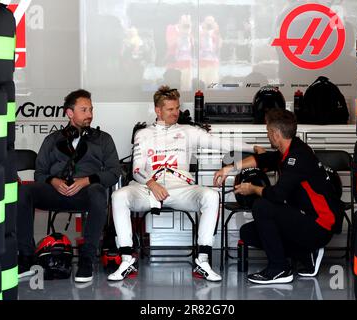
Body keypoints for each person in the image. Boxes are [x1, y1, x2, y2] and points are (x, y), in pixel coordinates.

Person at [109, 85, 256, 282]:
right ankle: (127, 260)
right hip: (147, 188)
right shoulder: (143, 134)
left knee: (212, 196)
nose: (175, 113)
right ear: (158, 110)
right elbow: (136, 170)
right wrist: (152, 183)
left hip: (180, 187)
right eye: (170, 109)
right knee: (119, 196)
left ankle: (202, 261)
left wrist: (254, 148)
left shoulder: (188, 131)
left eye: (177, 108)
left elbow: (223, 143)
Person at [214, 109, 344, 284]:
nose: (267, 135)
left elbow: (277, 195)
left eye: (268, 131)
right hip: (305, 220)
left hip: (320, 225)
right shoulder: (290, 149)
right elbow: (263, 159)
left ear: (275, 134)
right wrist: (229, 168)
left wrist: (252, 188)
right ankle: (305, 253)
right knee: (248, 233)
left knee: (262, 206)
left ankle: (279, 268)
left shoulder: (298, 156)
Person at [17, 89, 121, 283]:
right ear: (69, 113)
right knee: (24, 191)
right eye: (84, 110)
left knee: (98, 192)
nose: (89, 114)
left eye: (91, 109)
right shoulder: (52, 140)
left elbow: (115, 172)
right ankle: (25, 258)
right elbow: (39, 173)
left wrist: (86, 181)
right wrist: (54, 182)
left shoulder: (103, 139)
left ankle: (86, 260)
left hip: (86, 192)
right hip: (55, 191)